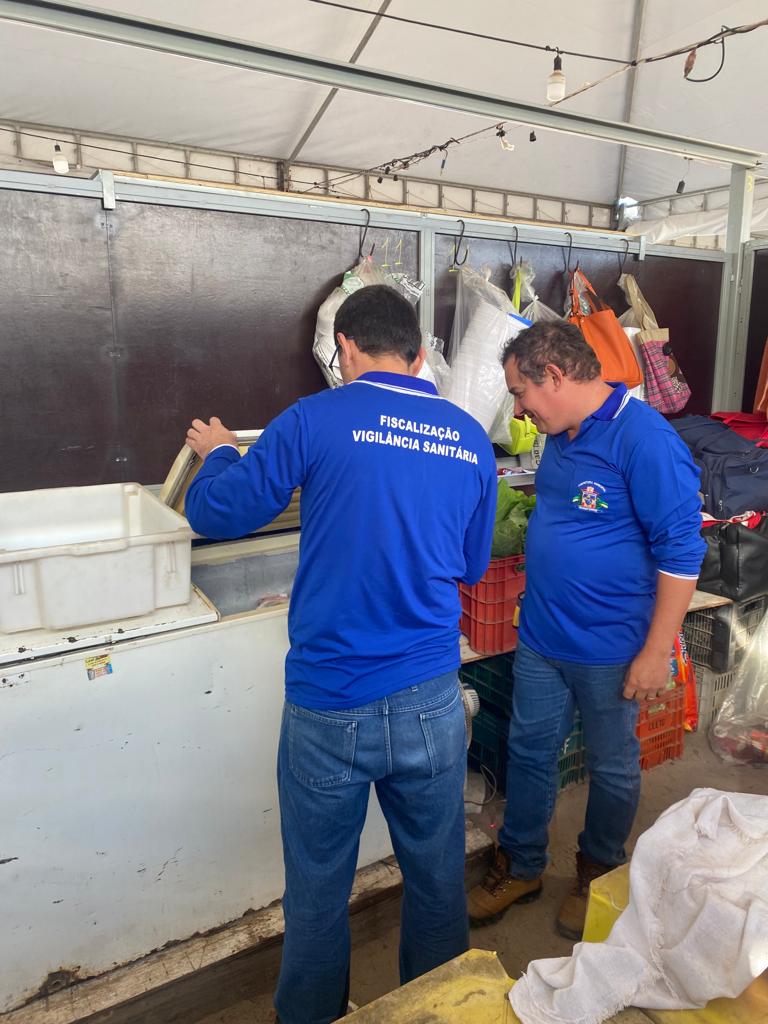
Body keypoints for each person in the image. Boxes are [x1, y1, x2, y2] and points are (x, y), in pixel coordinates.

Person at [183, 284, 497, 1024]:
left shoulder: (314, 419)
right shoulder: (468, 437)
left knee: (320, 889)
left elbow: (218, 514)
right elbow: (473, 565)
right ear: (420, 356)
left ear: (346, 349)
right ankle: (441, 1009)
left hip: (332, 704)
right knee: (434, 878)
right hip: (430, 699)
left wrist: (222, 455)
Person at [467, 320, 706, 940]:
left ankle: (598, 872)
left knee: (613, 765)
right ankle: (520, 865)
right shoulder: (563, 434)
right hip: (543, 636)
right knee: (529, 751)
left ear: (555, 375)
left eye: (521, 392)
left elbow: (681, 552)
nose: (517, 407)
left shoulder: (645, 440)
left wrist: (656, 653)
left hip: (611, 647)